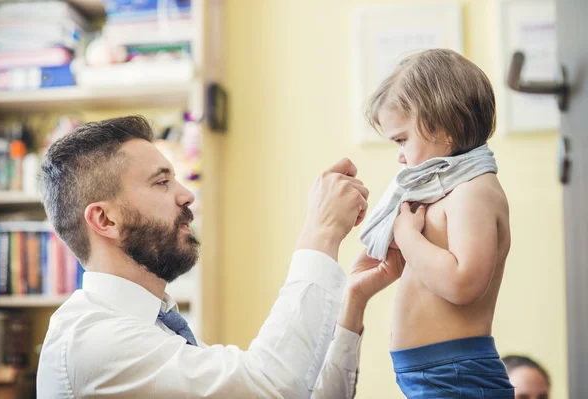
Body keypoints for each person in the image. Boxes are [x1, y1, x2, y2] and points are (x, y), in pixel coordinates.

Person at [35, 115, 404, 398]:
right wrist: (320, 232)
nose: (186, 195)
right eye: (162, 182)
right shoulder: (96, 343)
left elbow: (296, 391)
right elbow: (272, 386)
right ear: (105, 219)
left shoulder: (155, 331)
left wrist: (351, 300)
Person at [359, 49, 514, 398]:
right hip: (437, 372)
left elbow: (463, 284)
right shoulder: (447, 189)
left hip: (457, 374)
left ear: (442, 126)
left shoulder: (474, 190)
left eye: (402, 139)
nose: (399, 154)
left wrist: (405, 233)